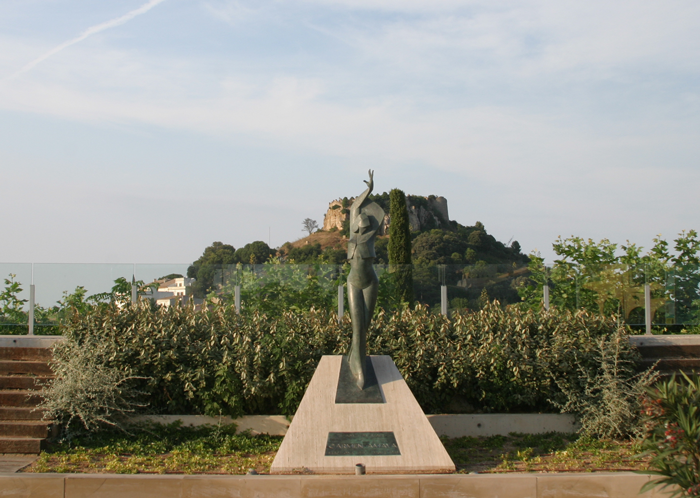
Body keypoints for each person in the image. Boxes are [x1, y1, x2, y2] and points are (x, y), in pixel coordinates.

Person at [346, 170, 384, 389]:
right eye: (360, 223)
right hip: (354, 283)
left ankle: (354, 357)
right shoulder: (353, 237)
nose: (364, 226)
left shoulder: (372, 236)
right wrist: (368, 189)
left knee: (364, 327)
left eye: (366, 224)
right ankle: (359, 370)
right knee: (358, 328)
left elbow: (373, 219)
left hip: (371, 283)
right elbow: (354, 207)